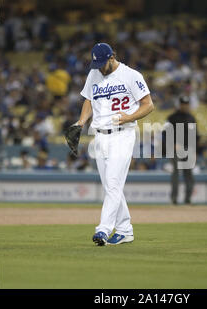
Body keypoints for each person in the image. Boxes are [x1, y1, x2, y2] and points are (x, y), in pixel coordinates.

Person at [74, 43, 154, 246]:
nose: (100, 68)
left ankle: (103, 229)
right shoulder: (94, 74)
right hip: (99, 136)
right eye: (97, 64)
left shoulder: (131, 75)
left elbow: (148, 105)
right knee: (111, 185)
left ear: (112, 57)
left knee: (112, 183)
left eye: (103, 63)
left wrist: (130, 117)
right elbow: (88, 100)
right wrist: (81, 122)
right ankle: (125, 230)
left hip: (122, 134)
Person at [165, 96, 197, 205]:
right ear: (180, 104)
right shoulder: (172, 117)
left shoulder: (191, 118)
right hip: (176, 149)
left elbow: (195, 135)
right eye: (183, 104)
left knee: (189, 175)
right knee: (176, 173)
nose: (185, 106)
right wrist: (172, 144)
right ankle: (174, 198)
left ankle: (188, 199)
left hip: (189, 149)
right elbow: (166, 133)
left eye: (186, 104)